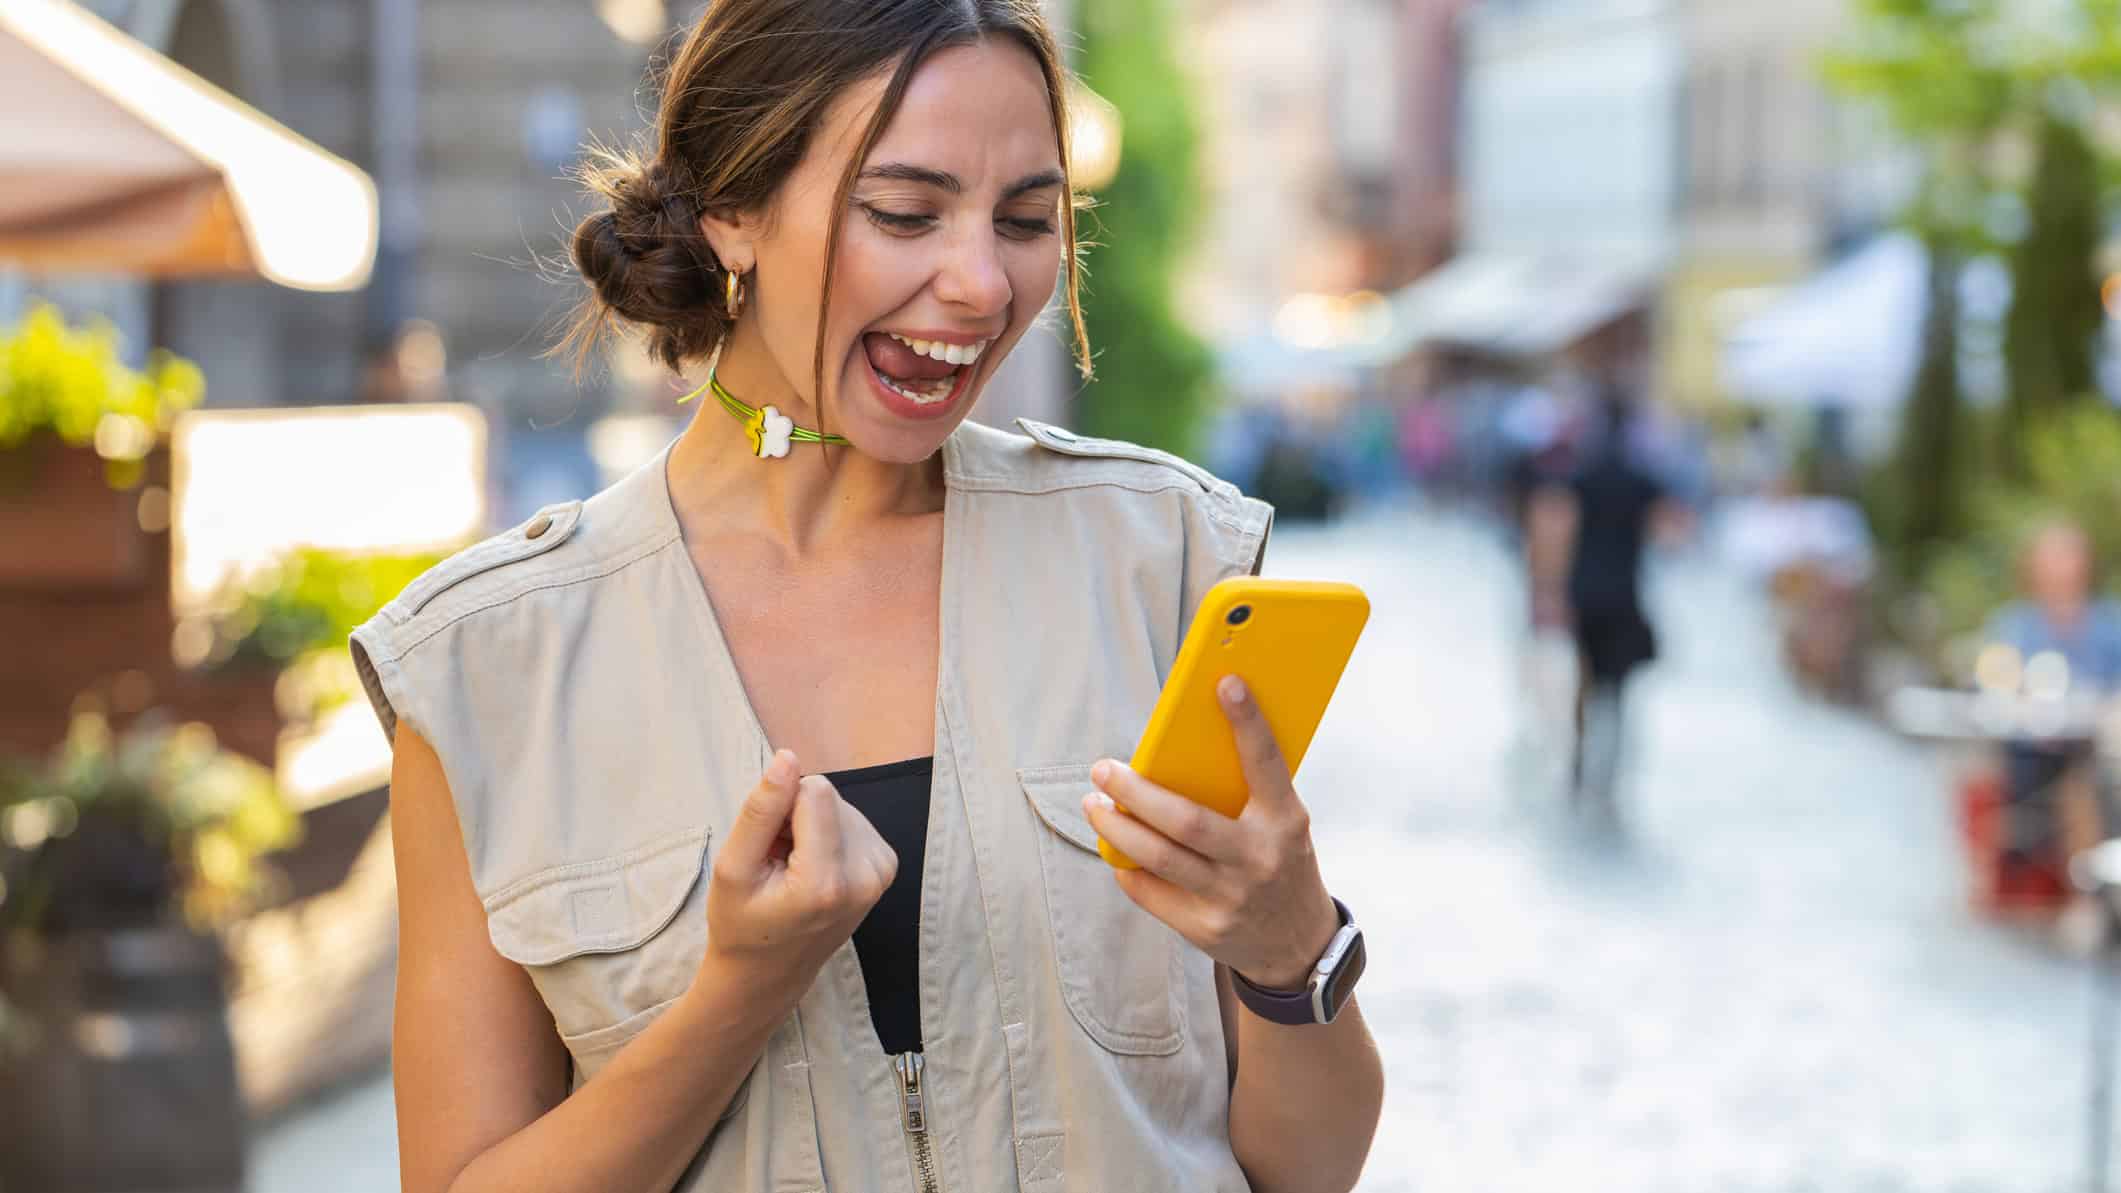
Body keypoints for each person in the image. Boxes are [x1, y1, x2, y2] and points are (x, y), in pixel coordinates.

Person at [348, 6, 1384, 1192]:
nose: (981, 283)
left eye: (1027, 221)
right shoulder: (489, 666)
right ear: (731, 211)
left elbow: (1309, 1168)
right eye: (904, 212)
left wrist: (1291, 950)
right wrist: (735, 997)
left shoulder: (1161, 561)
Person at [1551, 386, 1682, 819]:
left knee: (1585, 680)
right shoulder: (1639, 478)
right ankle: (1610, 774)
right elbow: (1670, 530)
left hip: (1584, 591)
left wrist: (1551, 588)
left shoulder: (1582, 475)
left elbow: (1562, 531)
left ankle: (1580, 761)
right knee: (1619, 687)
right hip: (1624, 593)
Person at [1983, 521, 2121, 878]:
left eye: (2068, 557)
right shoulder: (2014, 625)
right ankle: (2075, 884)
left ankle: (2089, 880)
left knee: (2089, 778)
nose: (2060, 568)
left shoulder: (2108, 625)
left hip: (2093, 746)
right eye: (2051, 558)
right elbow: (1994, 685)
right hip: (2027, 750)